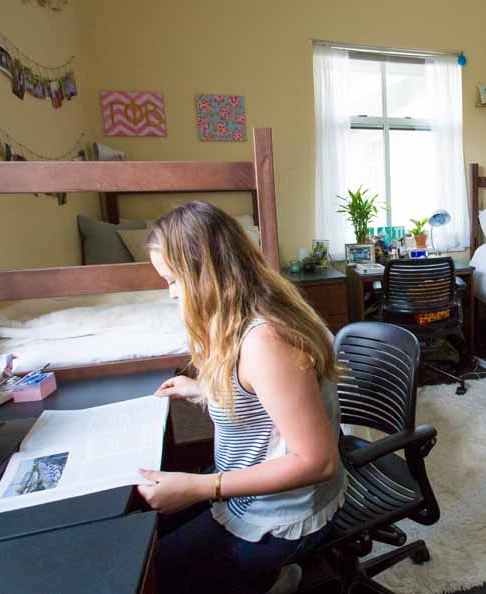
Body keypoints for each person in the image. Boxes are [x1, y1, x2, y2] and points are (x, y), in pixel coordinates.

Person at [138, 202, 345, 594]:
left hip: (284, 514)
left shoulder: (266, 340)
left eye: (172, 280)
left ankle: (276, 577)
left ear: (206, 274)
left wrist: (198, 487)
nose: (171, 294)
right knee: (147, 539)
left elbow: (317, 462)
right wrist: (204, 389)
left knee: (152, 573)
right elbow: (263, 397)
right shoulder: (245, 315)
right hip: (253, 498)